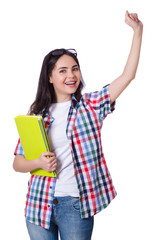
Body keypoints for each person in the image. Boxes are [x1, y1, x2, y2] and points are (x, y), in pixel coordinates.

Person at [13, 10, 143, 240]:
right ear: (50, 77)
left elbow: (128, 75)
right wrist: (38, 162)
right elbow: (18, 163)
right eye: (62, 71)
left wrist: (138, 31)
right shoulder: (36, 114)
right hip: (38, 206)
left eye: (74, 69)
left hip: (75, 207)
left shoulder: (91, 105)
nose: (71, 75)